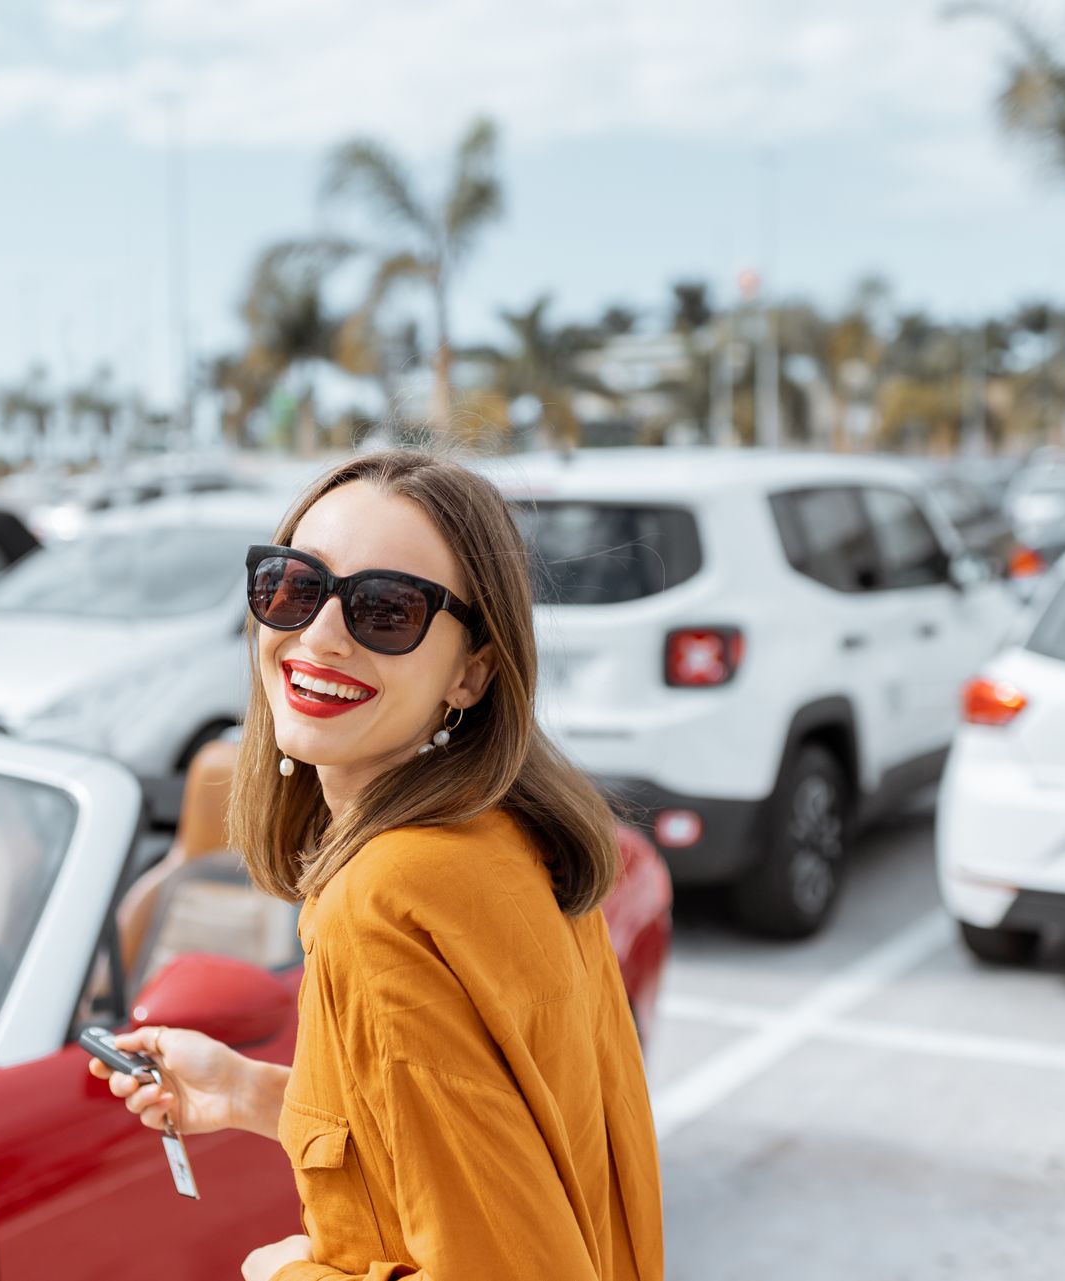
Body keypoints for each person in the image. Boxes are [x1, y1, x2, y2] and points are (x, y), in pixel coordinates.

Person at [88, 450, 665, 1280]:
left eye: (386, 610)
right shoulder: (505, 841)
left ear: (472, 671)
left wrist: (286, 1274)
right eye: (293, 586)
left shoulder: (387, 900)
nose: (318, 634)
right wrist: (249, 1092)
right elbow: (499, 1158)